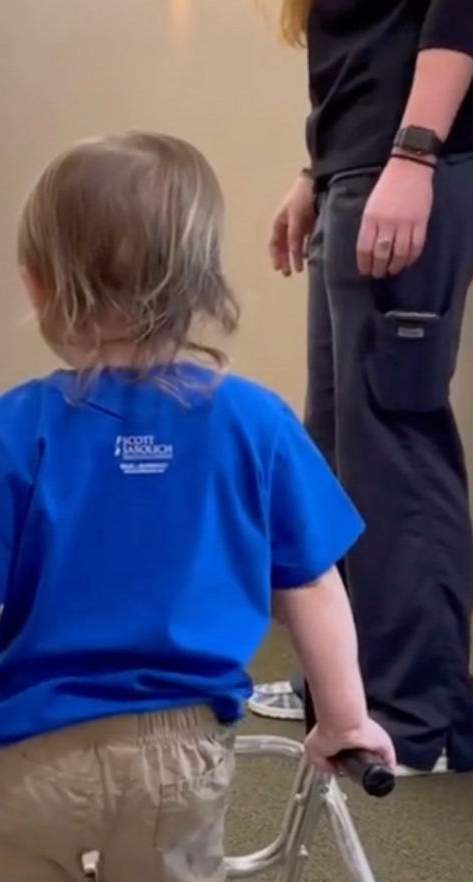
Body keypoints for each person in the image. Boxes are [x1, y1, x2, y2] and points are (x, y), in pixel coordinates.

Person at [0, 133, 395, 882]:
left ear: (38, 282)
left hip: (28, 744)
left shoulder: (8, 429)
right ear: (201, 280)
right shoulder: (257, 422)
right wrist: (343, 718)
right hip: (181, 748)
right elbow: (312, 583)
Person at [252, 0, 473, 776]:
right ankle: (348, 686)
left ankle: (423, 719)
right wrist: (316, 168)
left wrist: (413, 155)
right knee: (338, 444)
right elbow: (367, 52)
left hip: (411, 165)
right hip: (357, 171)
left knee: (396, 442)